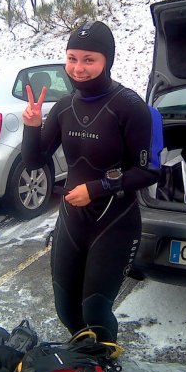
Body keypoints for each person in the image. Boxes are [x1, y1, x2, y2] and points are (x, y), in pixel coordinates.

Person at [21, 20, 161, 343]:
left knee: (95, 311)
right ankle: (88, 360)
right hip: (71, 222)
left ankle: (104, 362)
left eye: (89, 60)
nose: (78, 68)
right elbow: (34, 162)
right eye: (72, 58)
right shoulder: (64, 107)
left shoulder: (129, 107)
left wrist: (96, 189)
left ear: (106, 61)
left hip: (115, 223)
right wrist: (32, 126)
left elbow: (148, 172)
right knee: (67, 310)